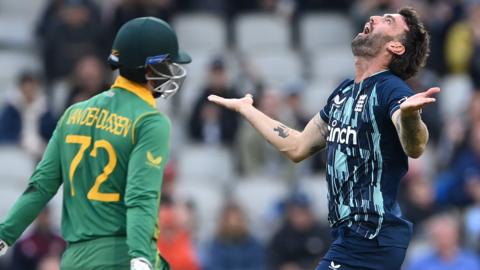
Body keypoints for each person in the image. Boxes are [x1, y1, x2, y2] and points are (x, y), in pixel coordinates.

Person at [209, 7, 437, 270]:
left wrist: (409, 118)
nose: (373, 18)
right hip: (350, 237)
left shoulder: (391, 89)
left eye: (388, 21)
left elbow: (415, 145)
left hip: (372, 239)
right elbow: (297, 146)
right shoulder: (343, 93)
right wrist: (247, 110)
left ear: (396, 47)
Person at [0, 17, 191, 270]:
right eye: (167, 64)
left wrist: (4, 236)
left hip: (73, 260)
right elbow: (140, 196)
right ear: (149, 70)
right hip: (123, 256)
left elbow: (40, 187)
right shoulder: (150, 121)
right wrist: (141, 257)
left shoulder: (73, 113)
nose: (171, 71)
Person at [406, 213, 480, 270]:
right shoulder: (420, 264)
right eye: (437, 235)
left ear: (456, 234)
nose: (442, 240)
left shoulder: (472, 262)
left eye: (446, 235)